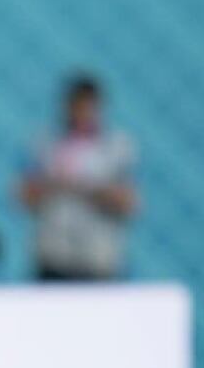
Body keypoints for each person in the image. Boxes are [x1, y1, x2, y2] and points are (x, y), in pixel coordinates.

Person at [17, 73, 139, 281]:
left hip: (98, 261)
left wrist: (88, 187)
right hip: (53, 258)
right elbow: (23, 195)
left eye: (87, 106)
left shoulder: (117, 148)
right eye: (76, 106)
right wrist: (55, 183)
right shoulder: (46, 144)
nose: (81, 113)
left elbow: (129, 202)